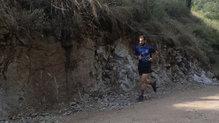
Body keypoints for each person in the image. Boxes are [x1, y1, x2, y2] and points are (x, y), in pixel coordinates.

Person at [134, 35, 159, 101]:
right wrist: (137, 57)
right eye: (139, 41)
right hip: (140, 66)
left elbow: (156, 53)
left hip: (147, 66)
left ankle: (141, 96)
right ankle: (152, 83)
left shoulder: (149, 48)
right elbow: (135, 55)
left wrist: (152, 58)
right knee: (143, 80)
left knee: (142, 80)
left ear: (145, 41)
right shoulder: (137, 48)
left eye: (142, 41)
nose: (140, 42)